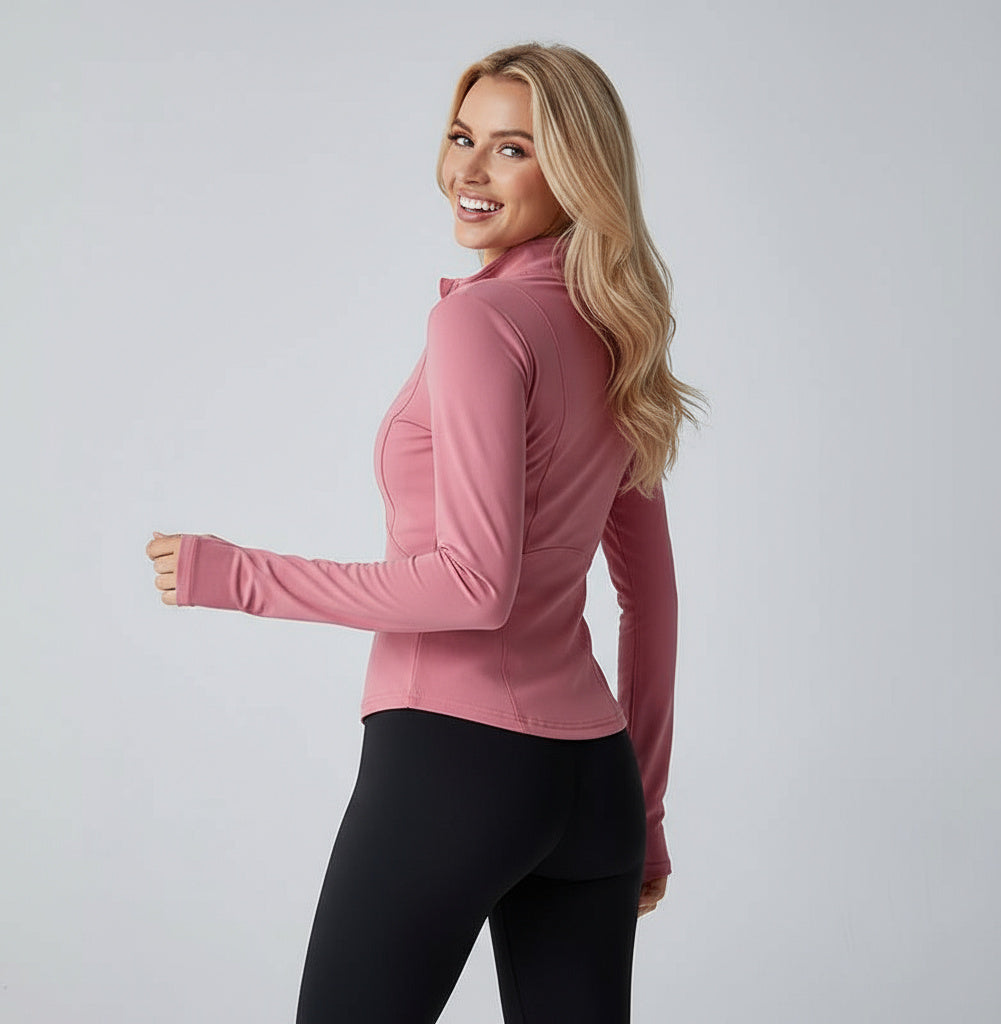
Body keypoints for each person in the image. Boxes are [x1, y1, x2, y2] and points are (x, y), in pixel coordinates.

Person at [145, 41, 708, 1024]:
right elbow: (651, 603)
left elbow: (473, 586)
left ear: (575, 171)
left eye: (512, 149)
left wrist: (232, 574)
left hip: (454, 765)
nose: (468, 170)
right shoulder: (616, 334)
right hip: (595, 784)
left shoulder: (482, 323)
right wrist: (646, 812)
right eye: (461, 137)